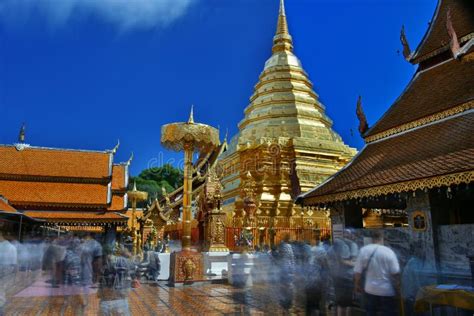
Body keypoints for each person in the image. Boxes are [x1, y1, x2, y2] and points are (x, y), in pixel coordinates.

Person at [354, 230, 400, 316]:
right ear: (382, 238)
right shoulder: (389, 252)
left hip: (370, 289)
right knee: (388, 313)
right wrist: (398, 289)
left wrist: (357, 284)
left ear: (372, 239)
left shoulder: (364, 250)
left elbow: (357, 272)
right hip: (386, 290)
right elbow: (395, 273)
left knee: (371, 312)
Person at [0, 230, 17, 316]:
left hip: (4, 272)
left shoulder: (10, 247)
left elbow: (13, 265)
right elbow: (13, 264)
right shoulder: (12, 247)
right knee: (1, 294)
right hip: (6, 273)